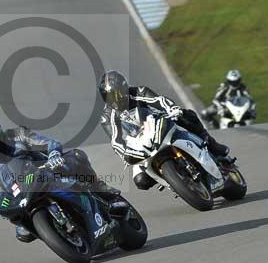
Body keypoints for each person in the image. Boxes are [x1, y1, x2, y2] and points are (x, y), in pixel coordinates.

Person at [0, 112, 125, 243]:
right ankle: (55, 231)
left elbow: (48, 143)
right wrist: (7, 210)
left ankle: (98, 187)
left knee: (77, 156)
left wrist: (54, 154)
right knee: (22, 230)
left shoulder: (17, 135)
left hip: (47, 170)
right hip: (23, 191)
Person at [98, 70, 231, 192]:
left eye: (118, 93)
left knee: (186, 115)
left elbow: (159, 100)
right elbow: (116, 140)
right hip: (139, 144)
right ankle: (173, 180)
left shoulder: (138, 92)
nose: (115, 99)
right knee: (141, 181)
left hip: (157, 124)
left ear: (124, 88)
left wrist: (172, 108)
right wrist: (125, 155)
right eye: (109, 96)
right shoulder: (107, 117)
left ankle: (211, 144)